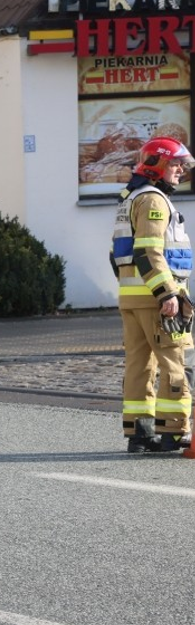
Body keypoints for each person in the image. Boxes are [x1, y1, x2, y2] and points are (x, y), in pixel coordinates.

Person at [111, 136, 195, 453]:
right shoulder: (154, 201)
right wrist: (165, 293)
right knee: (177, 362)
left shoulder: (130, 200)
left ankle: (139, 433)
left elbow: (115, 255)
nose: (180, 171)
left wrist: (133, 290)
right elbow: (148, 252)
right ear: (157, 165)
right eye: (175, 164)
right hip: (157, 300)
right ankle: (174, 432)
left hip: (133, 299)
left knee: (139, 365)